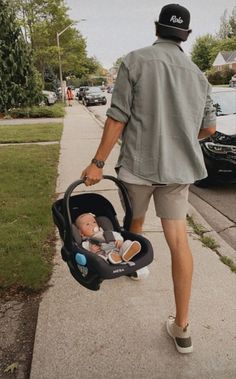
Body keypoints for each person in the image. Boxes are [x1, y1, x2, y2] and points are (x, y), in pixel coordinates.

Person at [80, 3, 216, 354]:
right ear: (186, 35)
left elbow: (117, 118)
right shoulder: (198, 75)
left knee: (134, 221)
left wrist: (97, 162)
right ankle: (182, 328)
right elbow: (209, 128)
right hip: (178, 170)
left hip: (138, 167)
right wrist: (182, 138)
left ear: (157, 28)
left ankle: (133, 266)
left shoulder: (134, 60)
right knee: (179, 241)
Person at [75, 213, 141, 264]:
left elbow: (117, 235)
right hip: (105, 255)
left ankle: (126, 254)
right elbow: (84, 253)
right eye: (87, 224)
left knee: (127, 242)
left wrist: (119, 240)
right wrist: (91, 251)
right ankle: (114, 259)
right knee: (98, 259)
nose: (92, 224)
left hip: (117, 249)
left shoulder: (106, 232)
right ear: (81, 233)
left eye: (94, 222)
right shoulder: (87, 243)